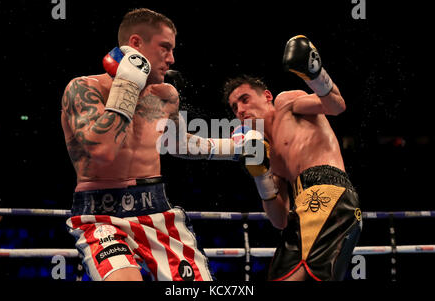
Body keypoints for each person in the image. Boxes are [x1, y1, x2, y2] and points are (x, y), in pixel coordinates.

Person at [61, 8, 239, 281]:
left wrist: (234, 147)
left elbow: (177, 144)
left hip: (157, 209)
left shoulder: (166, 94)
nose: (172, 59)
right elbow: (102, 151)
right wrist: (128, 83)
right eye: (165, 48)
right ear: (135, 45)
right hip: (101, 216)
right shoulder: (85, 88)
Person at [223, 35, 362, 281]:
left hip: (328, 191)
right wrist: (261, 176)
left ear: (266, 96)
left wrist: (316, 74)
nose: (241, 110)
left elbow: (336, 106)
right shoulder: (266, 153)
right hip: (303, 207)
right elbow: (279, 220)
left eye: (245, 99)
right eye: (234, 107)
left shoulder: (287, 104)